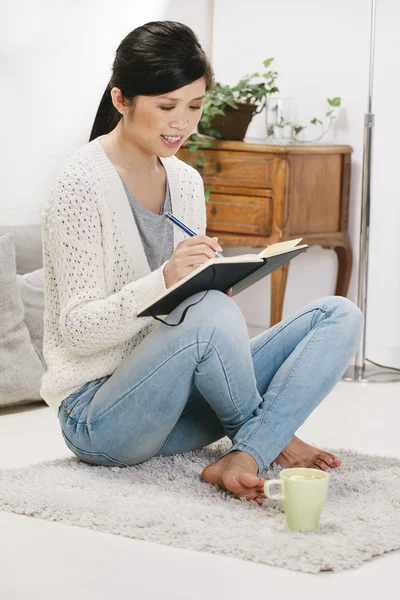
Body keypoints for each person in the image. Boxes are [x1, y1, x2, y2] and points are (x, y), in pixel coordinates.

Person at [40, 21, 363, 506]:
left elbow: (186, 317)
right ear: (121, 100)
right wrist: (167, 281)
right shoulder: (80, 184)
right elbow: (78, 332)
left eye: (195, 106)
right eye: (166, 107)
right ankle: (265, 441)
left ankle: (245, 453)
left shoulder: (186, 182)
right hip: (101, 420)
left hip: (178, 406)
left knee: (340, 315)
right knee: (209, 312)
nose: (182, 124)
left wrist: (208, 284)